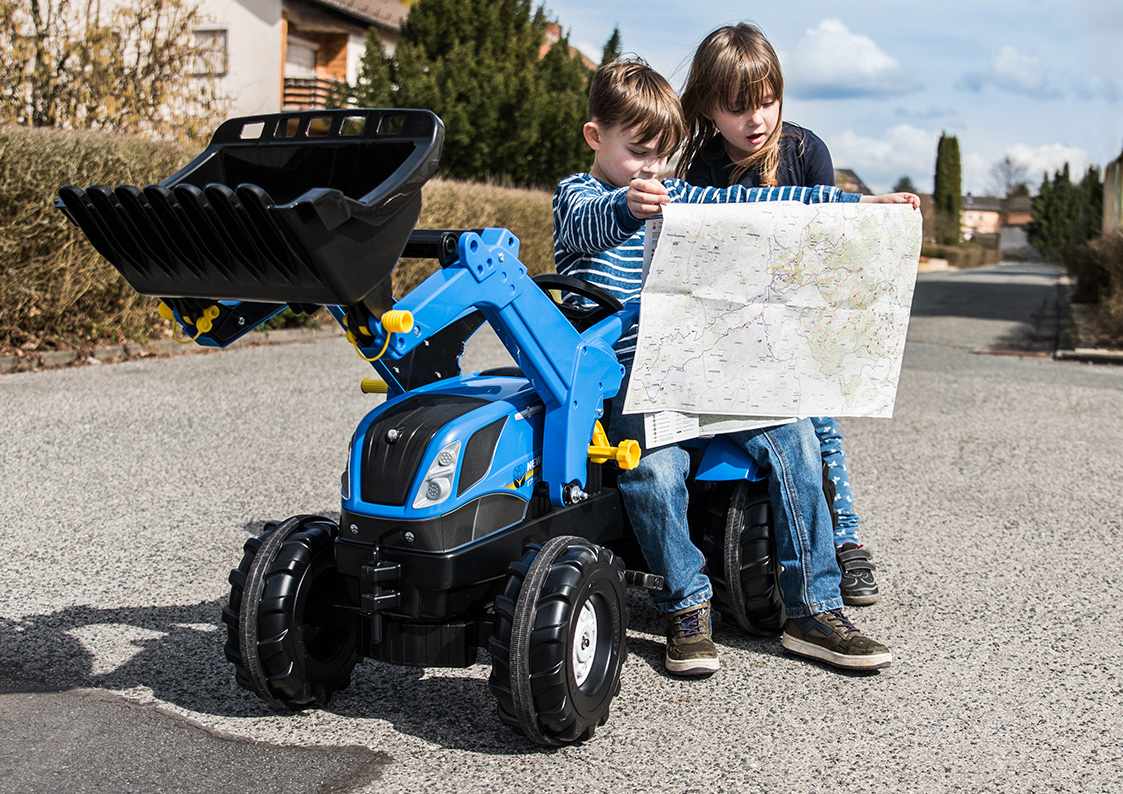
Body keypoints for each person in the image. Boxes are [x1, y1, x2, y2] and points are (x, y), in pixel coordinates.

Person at [553, 57, 918, 676]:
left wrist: (857, 208)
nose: (652, 171)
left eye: (663, 156)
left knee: (798, 439)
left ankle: (813, 610)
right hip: (633, 382)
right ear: (596, 138)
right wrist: (627, 206)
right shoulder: (579, 197)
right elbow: (586, 225)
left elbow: (761, 202)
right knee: (655, 472)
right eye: (639, 152)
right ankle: (687, 608)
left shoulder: (679, 193)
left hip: (705, 365)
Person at [679, 23, 882, 606]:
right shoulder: (700, 161)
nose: (757, 119)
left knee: (820, 428)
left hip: (795, 321)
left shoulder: (804, 150)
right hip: (730, 326)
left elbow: (827, 242)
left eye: (767, 101)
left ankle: (844, 541)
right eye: (739, 108)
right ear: (710, 108)